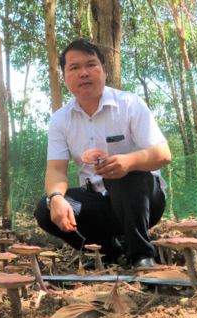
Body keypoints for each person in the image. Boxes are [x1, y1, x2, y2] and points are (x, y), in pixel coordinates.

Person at [34, 39, 172, 269]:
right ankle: (106, 251)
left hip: (143, 201)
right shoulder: (60, 119)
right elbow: (56, 169)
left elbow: (163, 154)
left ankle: (140, 256)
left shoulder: (129, 103)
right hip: (98, 203)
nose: (84, 73)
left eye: (91, 65)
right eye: (74, 68)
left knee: (123, 174)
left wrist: (130, 160)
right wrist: (56, 197)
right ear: (64, 78)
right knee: (45, 208)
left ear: (104, 71)